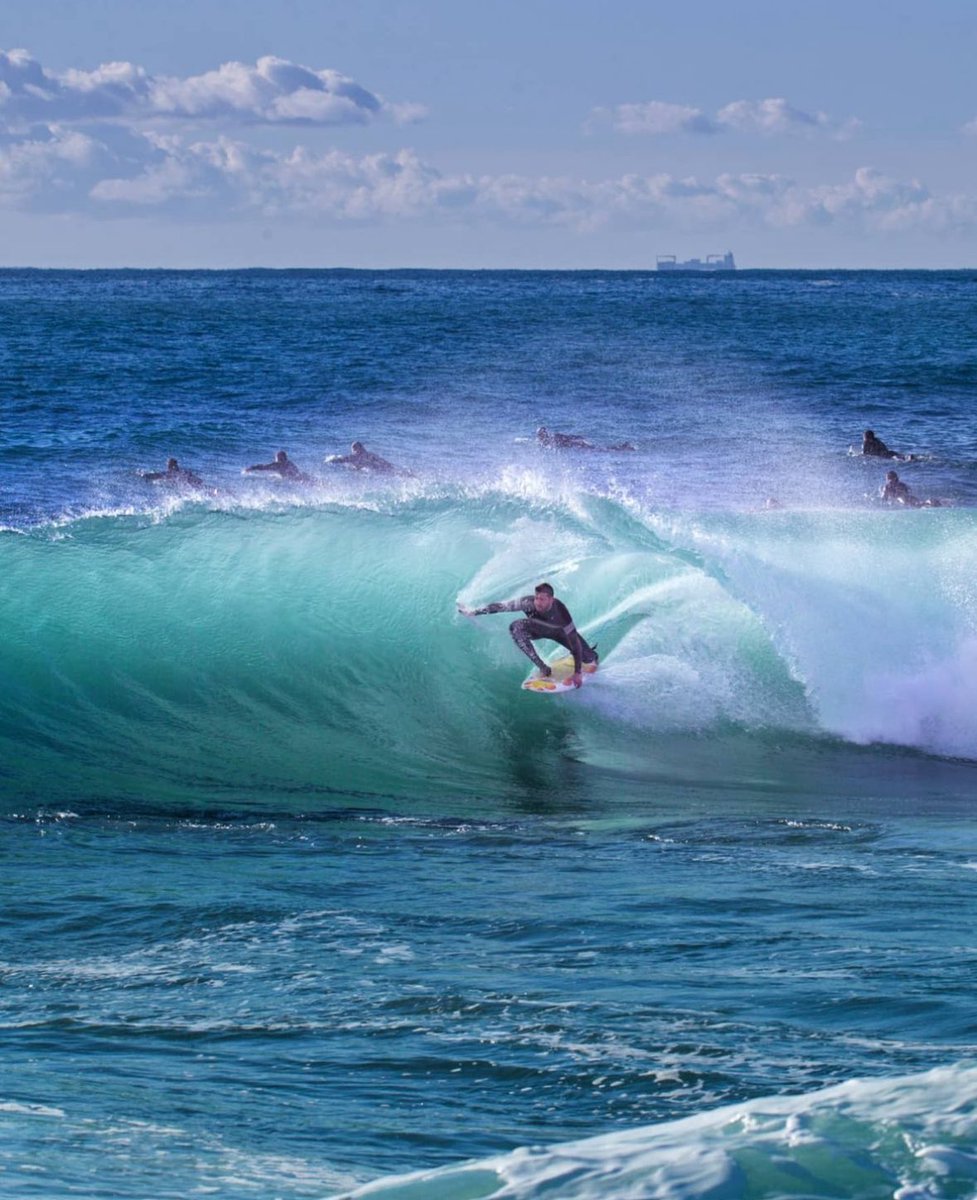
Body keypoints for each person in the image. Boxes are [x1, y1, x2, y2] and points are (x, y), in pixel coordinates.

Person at [459, 581, 598, 688]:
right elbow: (501, 607)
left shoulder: (561, 612)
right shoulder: (528, 602)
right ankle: (543, 668)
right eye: (536, 598)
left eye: (542, 599)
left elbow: (574, 641)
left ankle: (587, 656)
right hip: (537, 629)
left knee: (590, 658)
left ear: (551, 599)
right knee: (516, 628)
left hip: (560, 634)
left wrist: (578, 673)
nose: (538, 602)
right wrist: (474, 612)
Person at [536, 426, 636, 452]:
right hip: (579, 444)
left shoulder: (553, 439)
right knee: (600, 449)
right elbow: (569, 437)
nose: (539, 437)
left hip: (579, 444)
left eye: (540, 435)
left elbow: (568, 437)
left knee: (601, 450)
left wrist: (579, 438)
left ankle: (623, 448)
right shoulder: (552, 439)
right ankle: (623, 447)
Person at [326, 442, 399, 474]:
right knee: (396, 472)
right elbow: (382, 461)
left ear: (355, 449)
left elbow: (341, 460)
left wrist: (330, 460)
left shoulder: (354, 457)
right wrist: (389, 465)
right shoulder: (369, 454)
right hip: (376, 470)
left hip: (373, 471)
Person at [244, 450, 310, 482]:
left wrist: (251, 468)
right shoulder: (289, 463)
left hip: (298, 479)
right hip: (301, 478)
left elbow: (263, 467)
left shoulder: (278, 465)